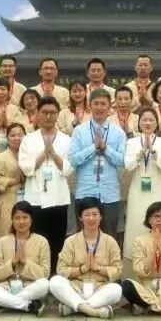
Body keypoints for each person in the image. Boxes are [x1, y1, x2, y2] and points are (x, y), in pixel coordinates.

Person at [18, 96, 72, 272]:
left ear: (58, 115)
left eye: (52, 113)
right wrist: (42, 156)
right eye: (45, 112)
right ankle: (37, 274)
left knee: (57, 240)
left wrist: (54, 154)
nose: (49, 116)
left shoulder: (66, 140)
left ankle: (55, 275)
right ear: (38, 114)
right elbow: (25, 168)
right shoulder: (28, 139)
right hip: (35, 198)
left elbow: (69, 169)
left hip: (59, 197)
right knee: (37, 240)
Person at [48, 197, 123, 319]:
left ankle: (74, 307)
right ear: (80, 217)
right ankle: (93, 311)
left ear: (101, 216)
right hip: (76, 287)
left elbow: (118, 270)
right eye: (87, 215)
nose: (91, 218)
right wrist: (82, 269)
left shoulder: (110, 242)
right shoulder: (71, 241)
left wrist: (98, 268)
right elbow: (61, 269)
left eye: (95, 214)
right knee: (55, 281)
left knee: (117, 289)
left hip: (99, 288)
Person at [122, 107, 161, 264]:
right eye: (144, 119)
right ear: (139, 123)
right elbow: (128, 166)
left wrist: (153, 151)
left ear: (156, 123)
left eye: (151, 120)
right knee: (136, 222)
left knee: (160, 221)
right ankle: (137, 261)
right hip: (138, 190)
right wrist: (141, 153)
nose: (147, 122)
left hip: (158, 189)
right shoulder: (132, 142)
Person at [68, 88, 127, 233]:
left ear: (110, 107)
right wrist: (93, 148)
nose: (99, 108)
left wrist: (105, 148)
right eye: (96, 103)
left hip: (110, 195)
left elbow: (122, 161)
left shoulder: (118, 132)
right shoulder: (79, 131)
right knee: (85, 239)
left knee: (109, 237)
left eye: (103, 104)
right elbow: (73, 160)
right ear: (89, 106)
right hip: (85, 193)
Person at [0, 201, 51, 315]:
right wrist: (12, 263)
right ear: (12, 220)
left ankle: (3, 302)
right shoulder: (3, 241)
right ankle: (28, 305)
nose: (21, 222)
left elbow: (45, 274)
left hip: (29, 288)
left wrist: (25, 263)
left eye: (25, 217)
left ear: (31, 219)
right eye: (17, 218)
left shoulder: (41, 241)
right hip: (6, 287)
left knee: (45, 284)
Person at [0, 123, 27, 243]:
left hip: (27, 199)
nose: (17, 138)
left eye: (20, 135)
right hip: (8, 200)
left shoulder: (29, 155)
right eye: (13, 135)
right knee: (8, 236)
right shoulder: (1, 157)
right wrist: (12, 181)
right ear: (7, 138)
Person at [0, 77, 25, 149]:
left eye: (3, 89)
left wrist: (7, 124)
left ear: (8, 92)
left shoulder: (14, 109)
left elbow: (22, 131)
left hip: (12, 149)